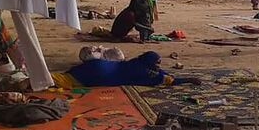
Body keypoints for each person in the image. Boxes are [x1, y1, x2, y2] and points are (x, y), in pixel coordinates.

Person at [52, 51, 201, 88]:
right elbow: (168, 80)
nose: (158, 66)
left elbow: (160, 72)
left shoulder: (136, 62)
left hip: (97, 65)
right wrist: (188, 80)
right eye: (157, 63)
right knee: (63, 82)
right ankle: (31, 81)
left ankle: (37, 77)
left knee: (65, 77)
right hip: (100, 74)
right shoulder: (144, 72)